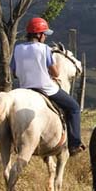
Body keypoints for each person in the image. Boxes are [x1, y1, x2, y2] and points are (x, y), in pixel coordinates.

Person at [11, 17, 85, 156]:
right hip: (45, 88)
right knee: (74, 107)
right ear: (38, 35)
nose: (45, 36)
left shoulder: (18, 48)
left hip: (24, 88)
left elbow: (14, 72)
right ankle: (74, 144)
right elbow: (55, 72)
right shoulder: (44, 49)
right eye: (44, 34)